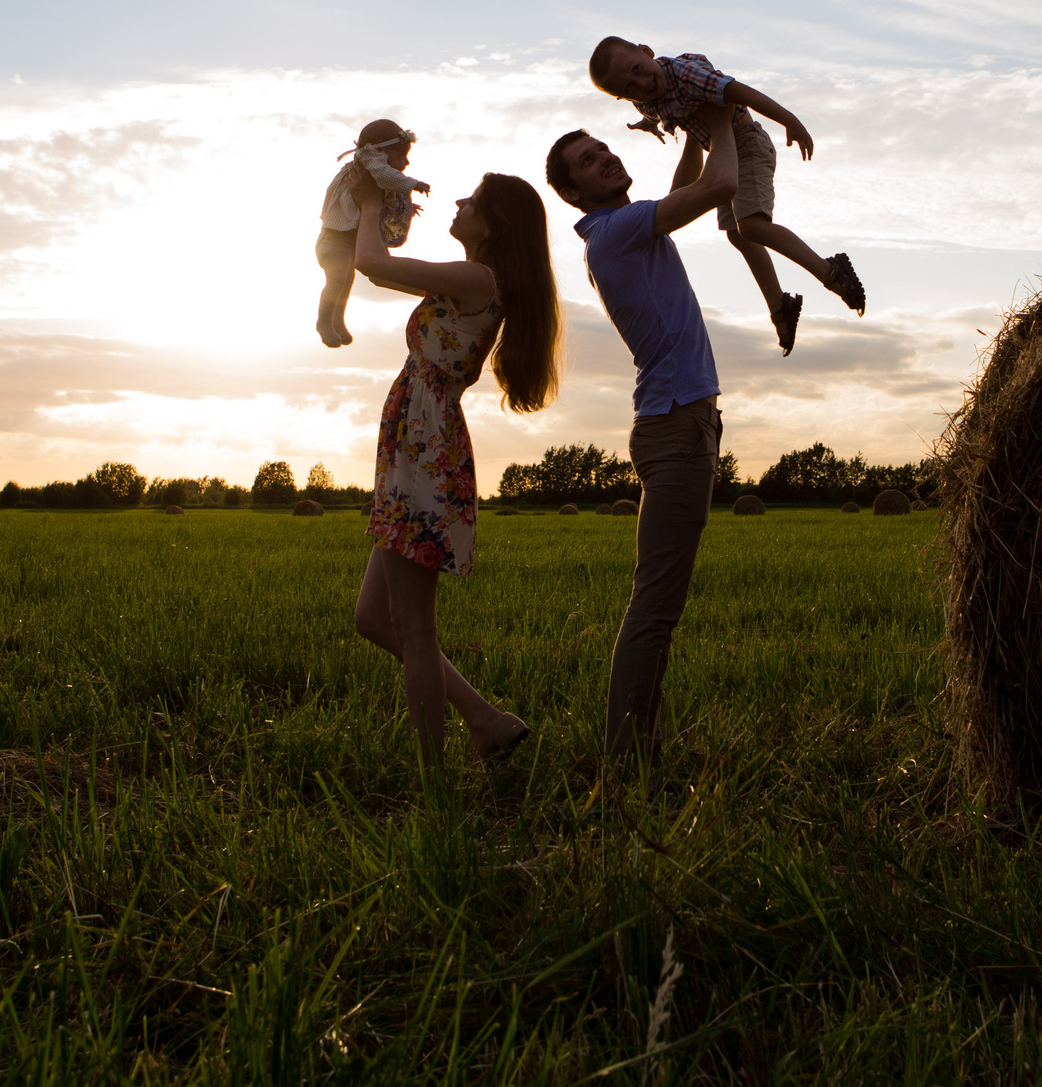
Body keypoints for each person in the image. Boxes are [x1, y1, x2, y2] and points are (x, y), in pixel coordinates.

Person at [545, 102, 738, 772]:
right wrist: (722, 120)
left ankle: (637, 751)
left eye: (604, 148)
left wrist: (693, 135)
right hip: (676, 423)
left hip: (680, 421)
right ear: (573, 193)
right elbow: (718, 189)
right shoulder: (619, 231)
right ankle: (625, 758)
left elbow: (685, 190)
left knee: (659, 604)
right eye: (589, 161)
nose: (607, 158)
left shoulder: (623, 229)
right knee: (655, 605)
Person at [347, 168, 559, 771]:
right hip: (419, 445)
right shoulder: (477, 279)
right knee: (373, 619)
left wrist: (366, 202)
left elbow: (371, 263)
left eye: (473, 201)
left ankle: (434, 784)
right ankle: (488, 722)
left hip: (424, 450)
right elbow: (385, 260)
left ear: (492, 227)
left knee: (415, 629)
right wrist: (389, 209)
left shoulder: (477, 278)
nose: (460, 201)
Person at [587, 37, 863, 354]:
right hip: (722, 151)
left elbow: (740, 91)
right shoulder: (645, 97)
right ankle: (780, 305)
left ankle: (830, 270)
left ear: (647, 52)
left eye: (637, 69)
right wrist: (647, 123)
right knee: (736, 234)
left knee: (751, 226)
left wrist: (790, 120)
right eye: (629, 87)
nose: (641, 84)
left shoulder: (685, 74)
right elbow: (653, 108)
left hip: (747, 143)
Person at [315, 119, 431, 347]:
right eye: (400, 155)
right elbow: (387, 177)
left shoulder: (373, 169)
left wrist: (408, 205)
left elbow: (387, 194)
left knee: (346, 280)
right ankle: (323, 321)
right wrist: (413, 184)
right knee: (337, 279)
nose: (406, 162)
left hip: (347, 237)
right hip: (335, 236)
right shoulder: (371, 162)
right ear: (379, 150)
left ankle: (337, 319)